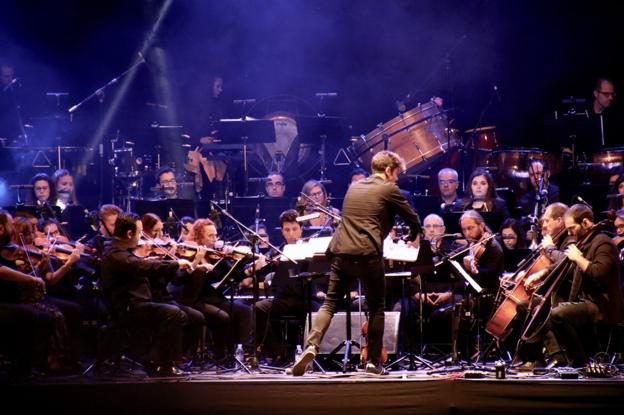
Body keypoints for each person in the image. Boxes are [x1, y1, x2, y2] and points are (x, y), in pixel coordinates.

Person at [289, 150, 422, 376]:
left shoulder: (354, 188)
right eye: (396, 173)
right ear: (388, 170)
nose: (397, 178)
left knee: (330, 303)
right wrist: (411, 235)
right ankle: (372, 362)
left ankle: (311, 345)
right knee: (376, 308)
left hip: (342, 252)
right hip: (368, 254)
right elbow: (413, 219)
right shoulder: (389, 188)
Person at [100, 212, 195, 376]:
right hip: (126, 308)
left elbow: (143, 265)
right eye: (139, 232)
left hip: (138, 304)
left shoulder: (124, 252)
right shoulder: (115, 254)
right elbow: (143, 266)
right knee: (173, 313)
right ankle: (158, 362)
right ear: (130, 234)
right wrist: (175, 263)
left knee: (182, 315)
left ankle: (163, 359)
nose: (141, 237)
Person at [536, 204, 622, 367]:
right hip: (587, 301)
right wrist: (542, 273)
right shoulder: (583, 243)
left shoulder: (603, 243)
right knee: (543, 309)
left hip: (602, 305)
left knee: (558, 314)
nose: (569, 233)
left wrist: (578, 258)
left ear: (586, 223)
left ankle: (578, 362)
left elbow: (598, 272)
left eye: (572, 228)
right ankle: (558, 357)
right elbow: (565, 266)